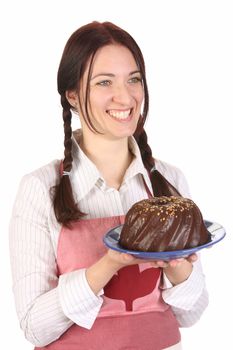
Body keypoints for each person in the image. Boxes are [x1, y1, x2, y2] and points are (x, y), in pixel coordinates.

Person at [9, 21, 208, 350]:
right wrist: (108, 264)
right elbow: (34, 327)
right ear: (72, 95)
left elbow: (192, 314)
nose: (125, 96)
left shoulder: (169, 182)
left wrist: (178, 267)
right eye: (104, 82)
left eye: (134, 79)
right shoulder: (40, 189)